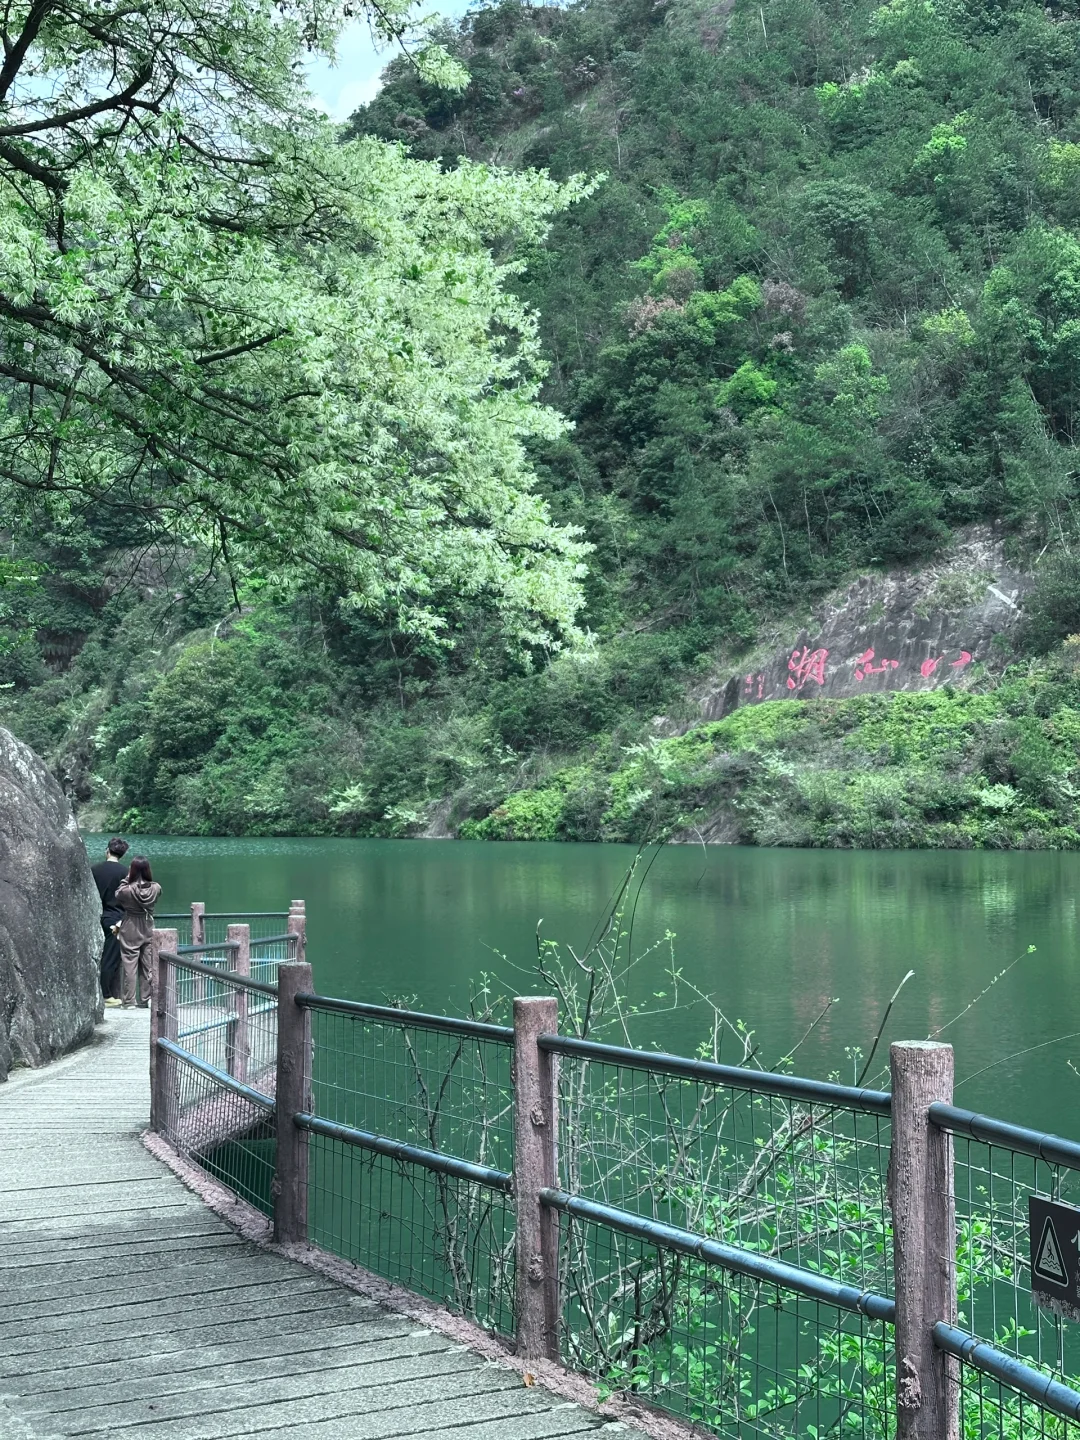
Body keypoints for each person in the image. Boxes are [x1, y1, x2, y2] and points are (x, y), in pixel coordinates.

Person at [115, 857, 162, 1009]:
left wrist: (127, 878)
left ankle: (129, 1001)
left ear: (132, 870)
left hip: (130, 925)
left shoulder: (126, 890)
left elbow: (117, 894)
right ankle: (145, 998)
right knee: (148, 963)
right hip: (148, 925)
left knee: (129, 963)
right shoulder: (156, 888)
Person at [91, 837, 129, 1007]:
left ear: (107, 851)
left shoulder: (95, 870)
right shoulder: (125, 872)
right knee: (110, 957)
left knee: (98, 956)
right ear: (122, 854)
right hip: (116, 920)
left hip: (96, 916)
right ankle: (106, 995)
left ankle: (99, 992)